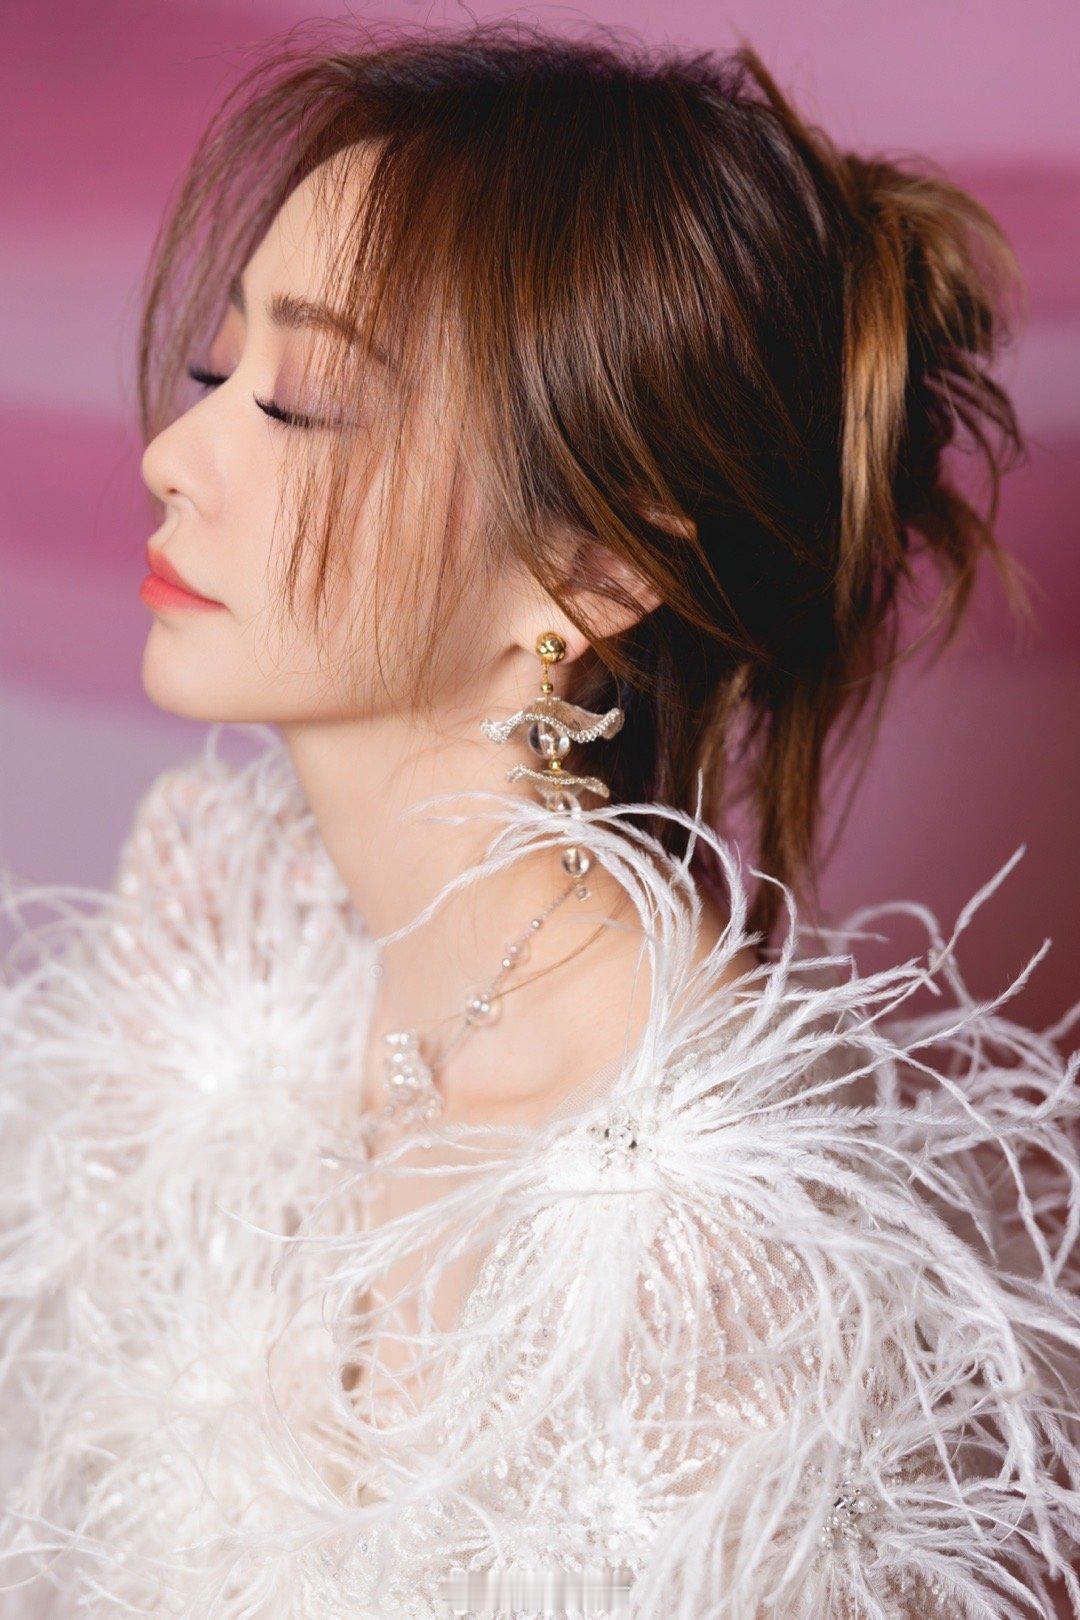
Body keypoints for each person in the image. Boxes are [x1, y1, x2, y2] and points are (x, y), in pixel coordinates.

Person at [1, 20, 1077, 1619]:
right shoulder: (215, 916)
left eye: (298, 402)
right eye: (219, 370)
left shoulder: (716, 1242)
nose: (171, 453)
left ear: (595, 568)